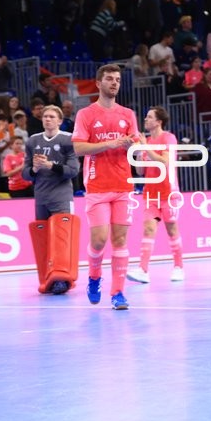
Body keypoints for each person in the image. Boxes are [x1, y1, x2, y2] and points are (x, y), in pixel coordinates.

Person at [72, 64, 140, 310]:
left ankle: (118, 293)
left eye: (118, 80)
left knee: (120, 240)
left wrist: (135, 145)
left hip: (123, 184)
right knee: (99, 241)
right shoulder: (86, 114)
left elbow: (134, 147)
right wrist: (111, 144)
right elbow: (79, 148)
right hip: (97, 186)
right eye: (110, 79)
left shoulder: (128, 114)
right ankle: (93, 277)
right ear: (98, 83)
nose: (114, 83)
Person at [23, 104, 80, 294]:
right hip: (41, 197)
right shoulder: (32, 141)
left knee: (62, 238)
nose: (47, 119)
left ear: (60, 121)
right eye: (45, 116)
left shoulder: (68, 139)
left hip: (61, 197)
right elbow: (25, 174)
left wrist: (51, 166)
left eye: (52, 117)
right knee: (43, 238)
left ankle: (63, 279)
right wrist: (35, 169)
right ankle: (47, 276)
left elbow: (73, 171)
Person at [126, 106, 185, 284]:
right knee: (148, 229)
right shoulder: (147, 141)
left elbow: (165, 161)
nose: (145, 119)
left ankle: (179, 267)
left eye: (149, 117)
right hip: (151, 193)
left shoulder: (169, 138)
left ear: (159, 121)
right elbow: (140, 170)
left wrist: (146, 148)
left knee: (171, 229)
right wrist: (136, 153)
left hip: (169, 191)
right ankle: (143, 270)